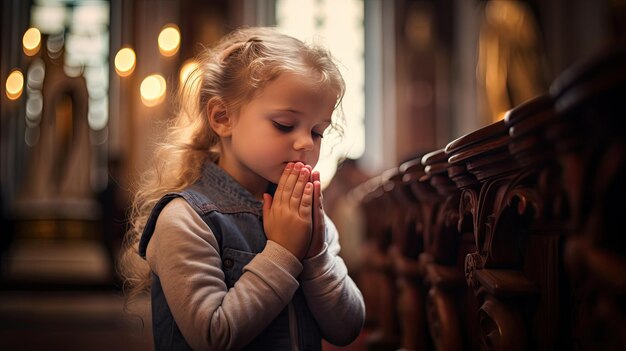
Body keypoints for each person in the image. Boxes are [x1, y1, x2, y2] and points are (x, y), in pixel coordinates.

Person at [119, 26, 365, 351]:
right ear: (223, 118)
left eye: (318, 131)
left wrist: (316, 255)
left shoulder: (305, 213)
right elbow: (213, 337)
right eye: (285, 125)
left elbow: (347, 328)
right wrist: (285, 253)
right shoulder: (185, 219)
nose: (306, 142)